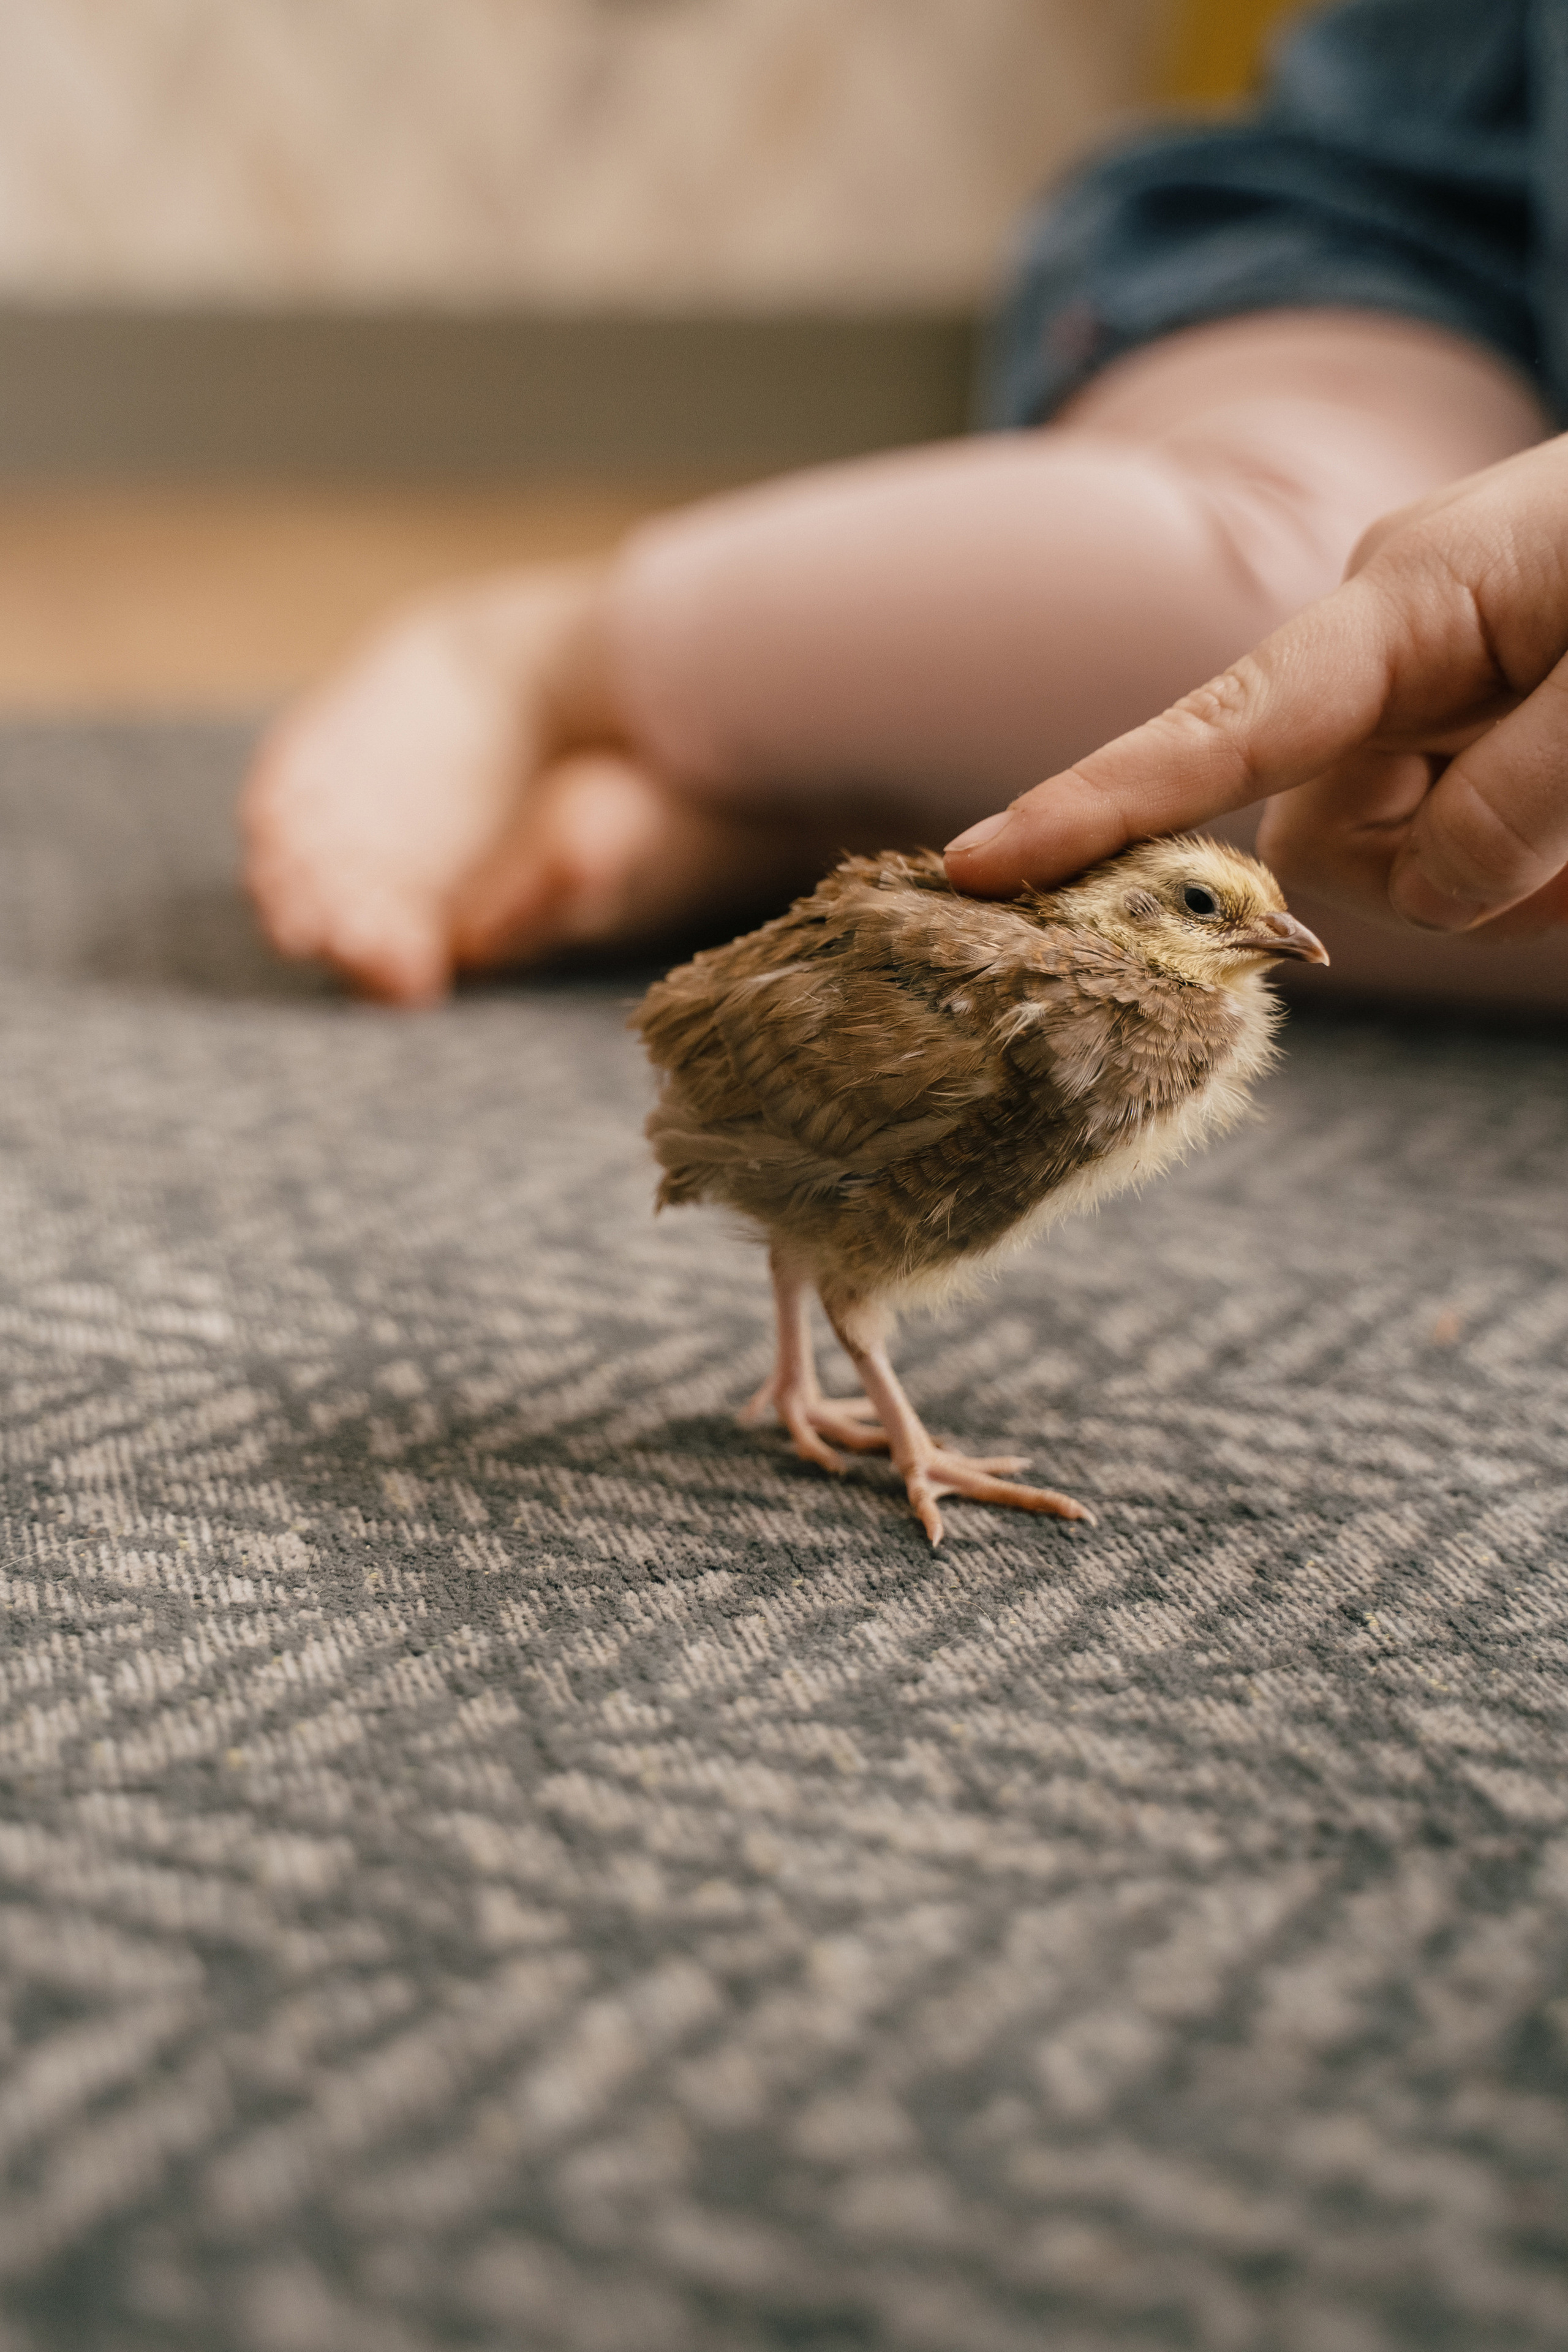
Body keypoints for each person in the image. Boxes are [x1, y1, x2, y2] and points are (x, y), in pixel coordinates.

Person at [242, 0, 1568, 1012]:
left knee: (1493, 836)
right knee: (1338, 661)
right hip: (1422, 273)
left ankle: (850, 823)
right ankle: (544, 655)